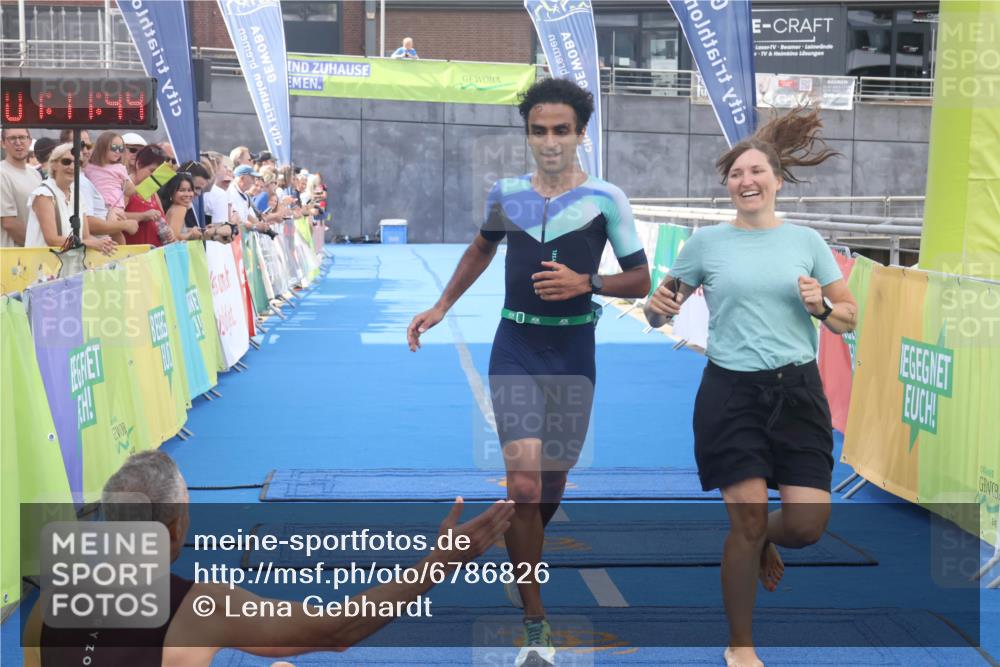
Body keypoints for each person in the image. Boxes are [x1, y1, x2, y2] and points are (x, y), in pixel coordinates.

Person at [407, 78, 650, 667]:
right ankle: (534, 617)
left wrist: (586, 283)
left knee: (552, 484)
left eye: (560, 130)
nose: (549, 141)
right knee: (523, 485)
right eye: (539, 130)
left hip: (574, 352)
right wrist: (442, 305)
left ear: (580, 135)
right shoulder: (507, 194)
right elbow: (481, 250)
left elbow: (640, 280)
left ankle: (525, 544)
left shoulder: (606, 198)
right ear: (528, 135)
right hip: (514, 344)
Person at [643, 108, 858, 667]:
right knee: (745, 519)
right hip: (731, 393)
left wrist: (823, 306)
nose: (747, 181)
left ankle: (763, 538)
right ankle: (740, 647)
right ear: (728, 186)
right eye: (737, 175)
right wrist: (654, 307)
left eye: (757, 172)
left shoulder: (808, 240)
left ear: (777, 181)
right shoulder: (705, 245)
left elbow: (848, 318)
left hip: (798, 394)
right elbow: (659, 307)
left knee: (808, 526)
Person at [23, 450, 514, 666]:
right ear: (176, 531)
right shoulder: (202, 609)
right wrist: (442, 560)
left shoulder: (48, 605)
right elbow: (337, 631)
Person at [23, 143, 115, 255]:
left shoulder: (78, 194)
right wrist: (89, 243)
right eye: (66, 161)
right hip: (43, 266)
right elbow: (52, 240)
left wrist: (104, 244)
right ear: (54, 164)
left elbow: (86, 236)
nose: (72, 167)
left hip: (71, 266)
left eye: (78, 163)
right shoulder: (44, 194)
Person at [123, 144, 173, 246]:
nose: (154, 177)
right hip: (134, 256)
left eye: (158, 173)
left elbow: (162, 218)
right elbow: (114, 218)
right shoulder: (126, 187)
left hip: (155, 254)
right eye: (152, 171)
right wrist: (142, 216)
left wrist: (169, 232)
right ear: (138, 164)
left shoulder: (151, 188)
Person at [1, 127, 42, 247]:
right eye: (12, 138)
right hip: (12, 255)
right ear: (3, 143)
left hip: (33, 253)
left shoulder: (35, 174)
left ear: (29, 141)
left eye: (22, 137)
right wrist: (36, 244)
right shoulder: (2, 173)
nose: (18, 142)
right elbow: (8, 223)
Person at [160, 172, 203, 241]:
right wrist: (192, 233)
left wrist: (190, 230)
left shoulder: (174, 207)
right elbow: (175, 238)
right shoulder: (180, 209)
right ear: (171, 192)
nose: (187, 194)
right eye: (182, 190)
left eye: (189, 190)